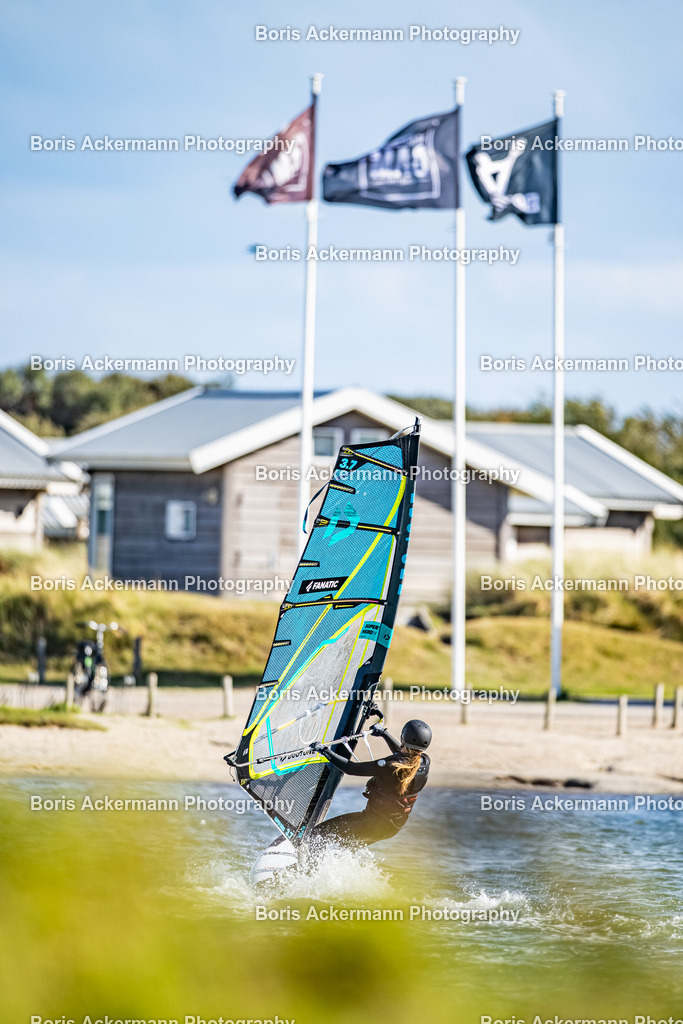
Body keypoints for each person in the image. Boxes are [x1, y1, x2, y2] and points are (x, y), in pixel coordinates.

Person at [307, 718, 431, 851]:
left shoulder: (390, 766)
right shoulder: (424, 762)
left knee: (318, 834)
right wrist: (384, 734)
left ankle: (307, 863)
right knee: (345, 849)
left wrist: (324, 751)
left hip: (371, 824)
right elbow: (404, 755)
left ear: (403, 738)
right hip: (392, 828)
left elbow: (351, 768)